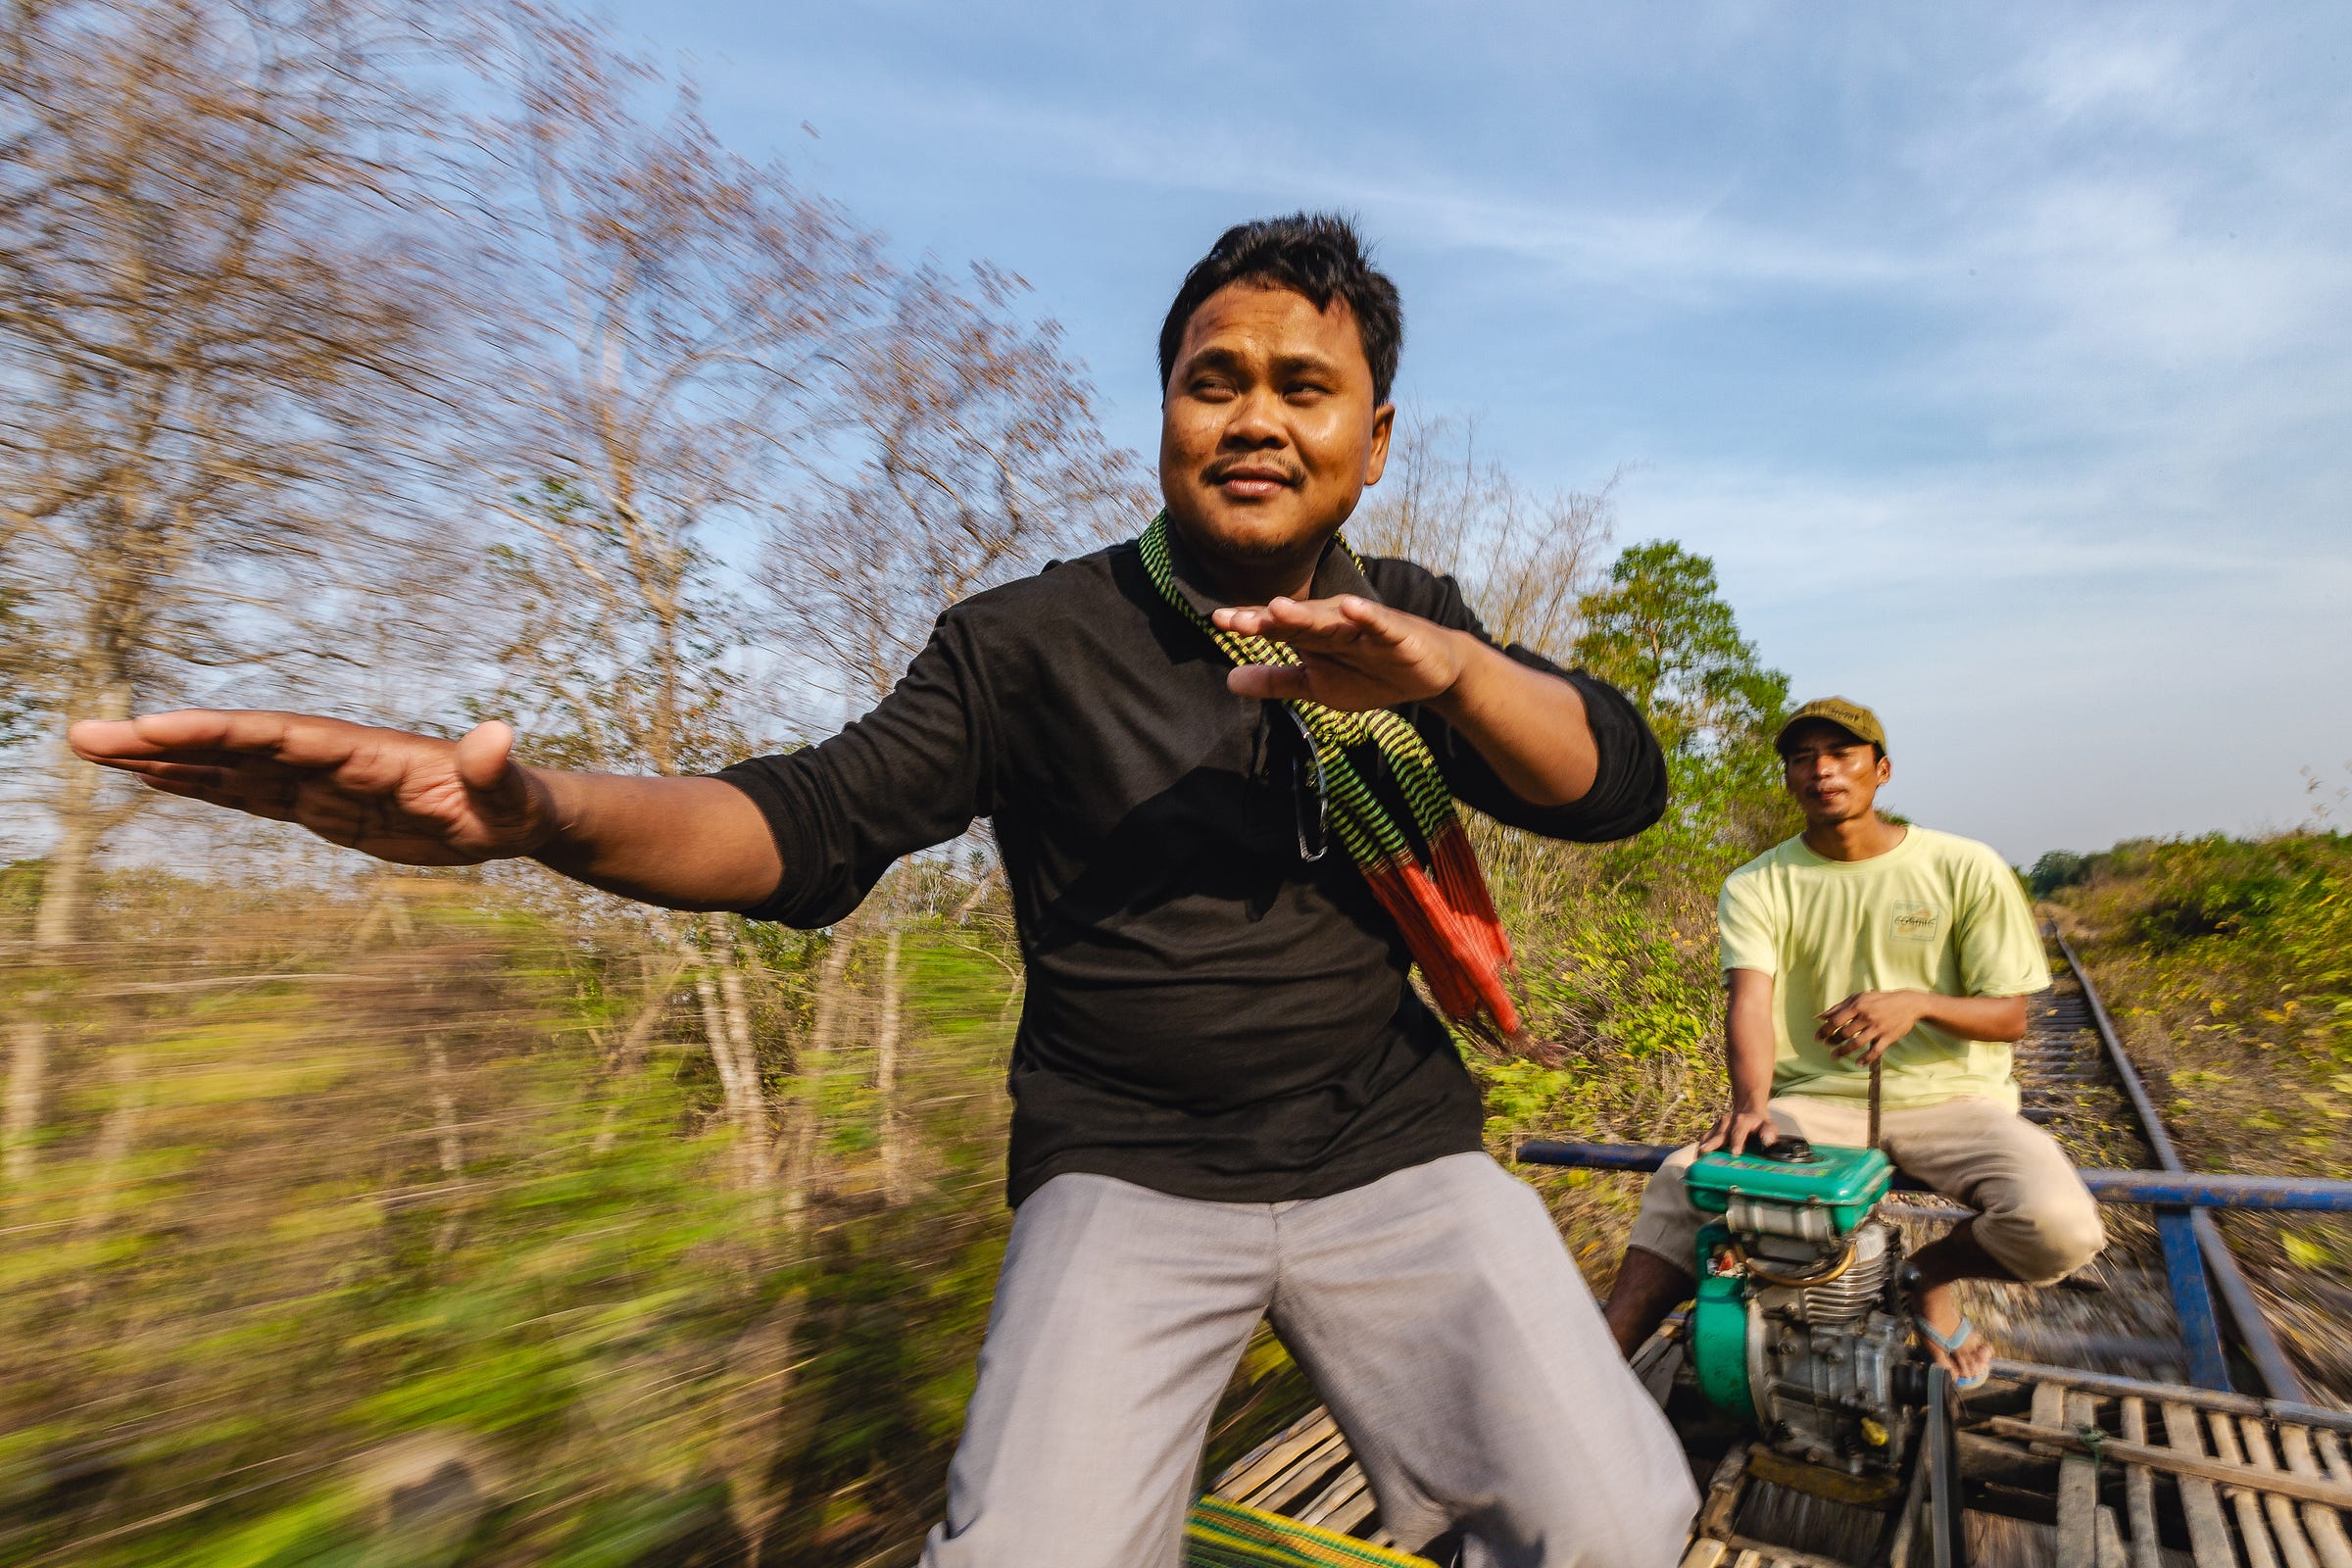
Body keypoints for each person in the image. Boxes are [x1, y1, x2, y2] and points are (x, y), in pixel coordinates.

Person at [71, 215, 1698, 1567]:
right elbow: (805, 824)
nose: (1256, 418)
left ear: (1372, 438)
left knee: (1620, 1519)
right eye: (1216, 382)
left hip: (1392, 1154)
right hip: (1125, 1175)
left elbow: (1613, 778)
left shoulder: (1414, 623)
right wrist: (541, 816)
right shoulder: (1025, 644)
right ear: (1164, 417)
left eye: (1303, 387)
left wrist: (1448, 675)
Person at [1599, 697, 2106, 1389]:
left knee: (2061, 1224)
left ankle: (1925, 1275)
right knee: (1680, 1182)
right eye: (1803, 758)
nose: (1822, 771)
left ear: (1882, 770)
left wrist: (1918, 1004)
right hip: (1818, 1102)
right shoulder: (1758, 883)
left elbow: (2010, 1016)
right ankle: (1599, 1369)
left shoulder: (1965, 867)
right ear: (1789, 779)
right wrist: (1752, 1104)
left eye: (1842, 755)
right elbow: (1749, 1000)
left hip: (1955, 1102)